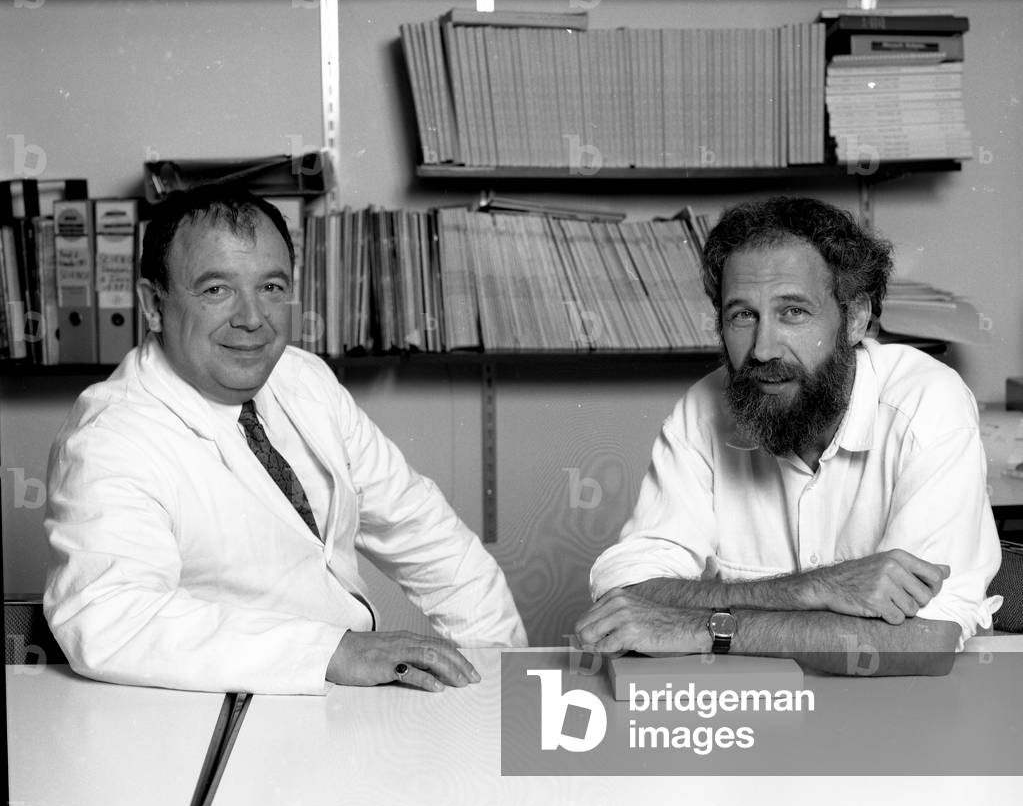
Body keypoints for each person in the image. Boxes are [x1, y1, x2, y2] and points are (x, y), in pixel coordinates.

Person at [44, 187, 526, 695]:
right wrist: (332, 651)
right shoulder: (110, 438)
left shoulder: (302, 377)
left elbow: (426, 534)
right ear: (153, 304)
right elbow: (108, 617)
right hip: (217, 707)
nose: (252, 318)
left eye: (271, 287)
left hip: (340, 696)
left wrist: (498, 674)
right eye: (216, 289)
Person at [576, 196, 1001, 676]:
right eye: (743, 315)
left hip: (908, 707)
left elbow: (925, 641)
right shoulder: (701, 411)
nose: (763, 350)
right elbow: (628, 594)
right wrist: (816, 588)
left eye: (794, 312)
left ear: (855, 319)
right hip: (755, 705)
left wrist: (705, 628)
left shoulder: (927, 404)